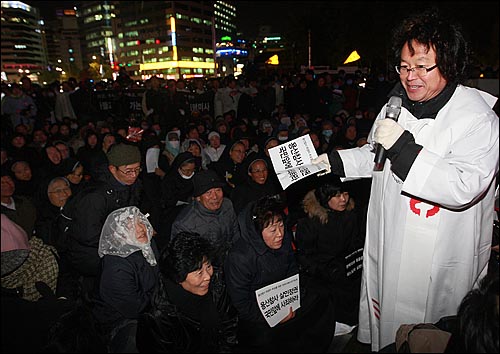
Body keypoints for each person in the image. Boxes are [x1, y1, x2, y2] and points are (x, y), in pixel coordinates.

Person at [311, 10, 499, 351]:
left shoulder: (476, 117)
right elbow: (377, 154)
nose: (409, 76)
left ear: (450, 65)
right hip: (391, 235)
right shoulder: (394, 104)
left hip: (440, 251)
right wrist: (331, 161)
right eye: (403, 65)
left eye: (422, 66)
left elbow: (464, 185)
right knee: (388, 324)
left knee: (430, 332)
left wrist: (403, 146)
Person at [224, 195, 336, 353]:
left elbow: (292, 271)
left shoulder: (284, 240)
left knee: (321, 299)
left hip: (284, 300)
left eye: (281, 226)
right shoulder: (239, 258)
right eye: (272, 230)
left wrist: (291, 300)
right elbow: (242, 305)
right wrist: (274, 316)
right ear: (257, 231)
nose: (279, 234)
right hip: (257, 315)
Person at [60, 143, 143, 294]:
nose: (134, 175)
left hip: (115, 240)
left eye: (137, 170)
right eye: (129, 171)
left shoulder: (131, 184)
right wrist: (124, 240)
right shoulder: (94, 196)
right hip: (87, 252)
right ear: (112, 169)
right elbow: (88, 235)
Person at [136, 232, 239, 353]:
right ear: (178, 278)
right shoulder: (156, 318)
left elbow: (230, 325)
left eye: (208, 266)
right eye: (199, 273)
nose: (208, 276)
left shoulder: (217, 285)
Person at [294, 181, 364, 326]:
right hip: (322, 278)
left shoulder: (350, 215)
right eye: (337, 196)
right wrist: (325, 270)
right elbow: (304, 256)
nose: (343, 199)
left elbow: (356, 242)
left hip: (347, 273)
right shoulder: (310, 221)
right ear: (325, 197)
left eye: (345, 194)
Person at [93, 206, 159, 353]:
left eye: (141, 222)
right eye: (131, 226)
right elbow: (134, 308)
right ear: (120, 235)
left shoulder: (147, 245)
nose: (141, 229)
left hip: (150, 305)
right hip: (120, 322)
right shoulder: (116, 267)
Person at [170, 169, 240, 286]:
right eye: (208, 193)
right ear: (198, 198)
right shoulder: (184, 224)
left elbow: (236, 234)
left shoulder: (227, 205)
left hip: (230, 264)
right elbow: (183, 262)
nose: (215, 196)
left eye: (218, 190)